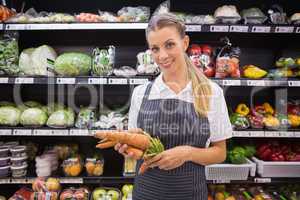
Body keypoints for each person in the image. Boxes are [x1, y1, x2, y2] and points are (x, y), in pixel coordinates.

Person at [115, 13, 232, 200]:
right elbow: (138, 153)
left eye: (169, 45)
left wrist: (187, 153)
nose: (162, 56)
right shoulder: (141, 93)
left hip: (190, 194)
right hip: (146, 193)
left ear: (185, 43)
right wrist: (128, 148)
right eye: (155, 49)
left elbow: (220, 153)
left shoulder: (211, 92)